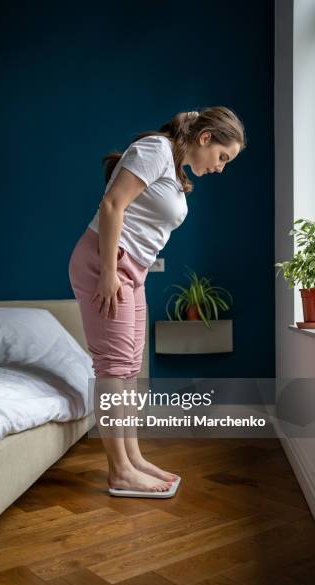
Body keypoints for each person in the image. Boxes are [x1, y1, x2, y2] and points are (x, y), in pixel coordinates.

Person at [69, 105, 246, 495]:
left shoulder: (172, 167)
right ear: (205, 138)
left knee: (131, 366)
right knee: (114, 367)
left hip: (131, 268)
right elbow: (112, 204)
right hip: (107, 263)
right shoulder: (155, 150)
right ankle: (119, 471)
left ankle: (132, 458)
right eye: (222, 157)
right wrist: (110, 273)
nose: (220, 168)